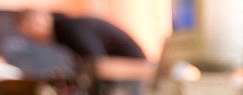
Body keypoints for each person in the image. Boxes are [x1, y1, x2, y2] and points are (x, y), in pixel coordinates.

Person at [15, 9, 145, 59]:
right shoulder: (64, 30)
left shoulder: (69, 29)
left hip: (133, 66)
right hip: (121, 64)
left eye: (31, 34)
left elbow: (95, 60)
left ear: (42, 20)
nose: (34, 39)